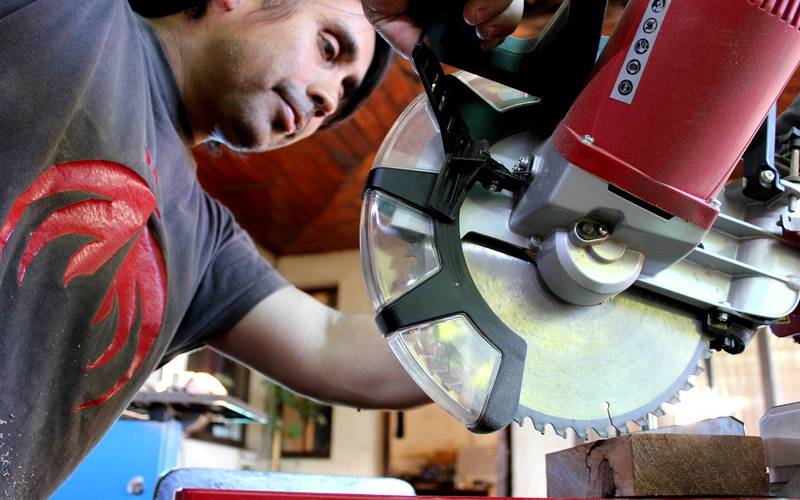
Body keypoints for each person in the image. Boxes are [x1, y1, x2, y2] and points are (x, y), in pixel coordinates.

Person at [0, 0, 521, 496]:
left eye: (339, 97)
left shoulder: (206, 244)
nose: (327, 101)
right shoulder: (72, 15)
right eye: (328, 48)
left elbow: (330, 346)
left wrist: (522, 295)